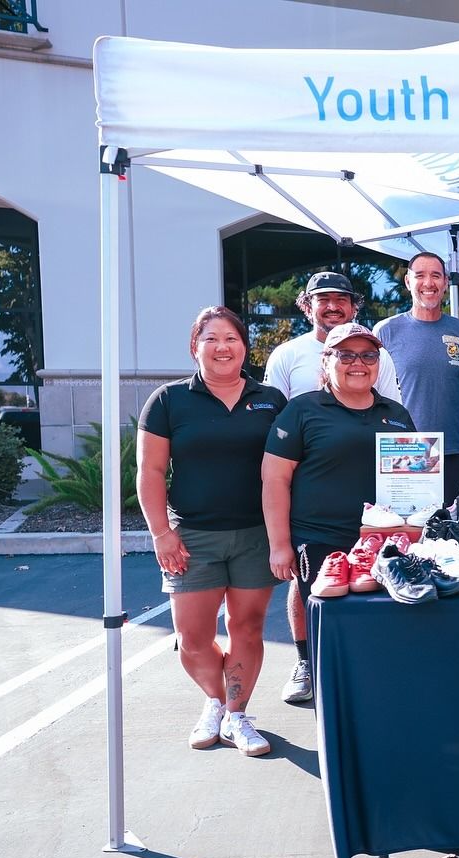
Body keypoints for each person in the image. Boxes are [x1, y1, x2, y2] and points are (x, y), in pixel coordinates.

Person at [136, 306, 287, 757]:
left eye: (232, 339)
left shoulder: (271, 400)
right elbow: (150, 471)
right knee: (193, 638)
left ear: (245, 347)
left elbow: (286, 471)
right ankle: (215, 702)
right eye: (211, 339)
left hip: (256, 534)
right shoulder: (168, 400)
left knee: (247, 627)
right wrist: (162, 533)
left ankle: (238, 714)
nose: (222, 347)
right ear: (194, 347)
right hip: (192, 538)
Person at [264, 270, 400, 705]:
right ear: (326, 362)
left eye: (366, 355)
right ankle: (310, 666)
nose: (358, 362)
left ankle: (371, 681)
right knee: (320, 614)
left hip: (380, 537)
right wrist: (280, 545)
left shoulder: (396, 413)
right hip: (317, 533)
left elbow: (414, 477)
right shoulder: (303, 410)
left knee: (378, 614)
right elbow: (274, 478)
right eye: (346, 356)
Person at [372, 252, 459, 503]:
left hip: (453, 449)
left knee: (452, 530)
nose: (428, 283)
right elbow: (373, 395)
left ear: (445, 282)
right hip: (404, 448)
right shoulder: (385, 331)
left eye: (435, 275)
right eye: (420, 275)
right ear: (408, 282)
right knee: (408, 530)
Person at [264, 271, 400, 401]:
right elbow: (272, 415)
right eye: (323, 300)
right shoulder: (286, 354)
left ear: (354, 309)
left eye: (341, 299)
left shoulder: (376, 355)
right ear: (308, 308)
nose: (333, 307)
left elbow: (392, 411)